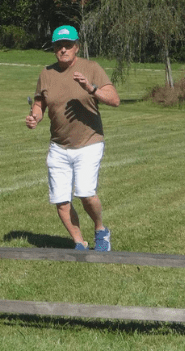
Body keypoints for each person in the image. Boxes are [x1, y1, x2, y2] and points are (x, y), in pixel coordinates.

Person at [25, 25, 119, 251]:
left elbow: (114, 100)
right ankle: (79, 242)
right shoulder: (46, 74)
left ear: (77, 47)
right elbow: (39, 104)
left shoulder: (92, 68)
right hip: (59, 146)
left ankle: (100, 230)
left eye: (68, 45)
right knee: (61, 201)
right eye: (59, 46)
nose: (63, 49)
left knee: (86, 193)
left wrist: (91, 88)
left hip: (89, 142)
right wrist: (35, 118)